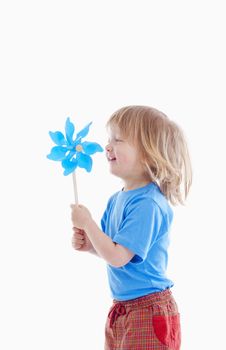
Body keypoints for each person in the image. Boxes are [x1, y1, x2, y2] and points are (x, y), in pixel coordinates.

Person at [71, 105, 192, 350]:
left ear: (148, 154)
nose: (108, 146)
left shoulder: (148, 203)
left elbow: (117, 257)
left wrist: (88, 223)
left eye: (118, 140)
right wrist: (90, 246)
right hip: (123, 307)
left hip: (147, 310)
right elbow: (111, 249)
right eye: (108, 139)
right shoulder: (116, 200)